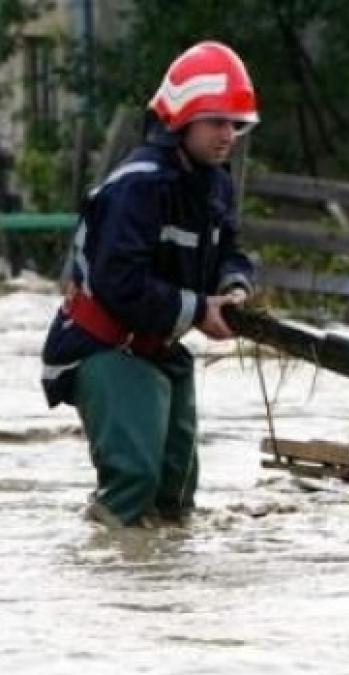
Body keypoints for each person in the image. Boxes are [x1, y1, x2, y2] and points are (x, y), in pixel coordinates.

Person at [40, 41, 259, 527]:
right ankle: (109, 584)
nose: (228, 134)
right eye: (216, 121)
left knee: (176, 488)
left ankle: (163, 593)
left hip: (157, 346)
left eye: (235, 124)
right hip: (102, 347)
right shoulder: (138, 186)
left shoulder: (215, 184)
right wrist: (201, 310)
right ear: (181, 121)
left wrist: (235, 287)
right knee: (134, 479)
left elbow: (229, 253)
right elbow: (121, 283)